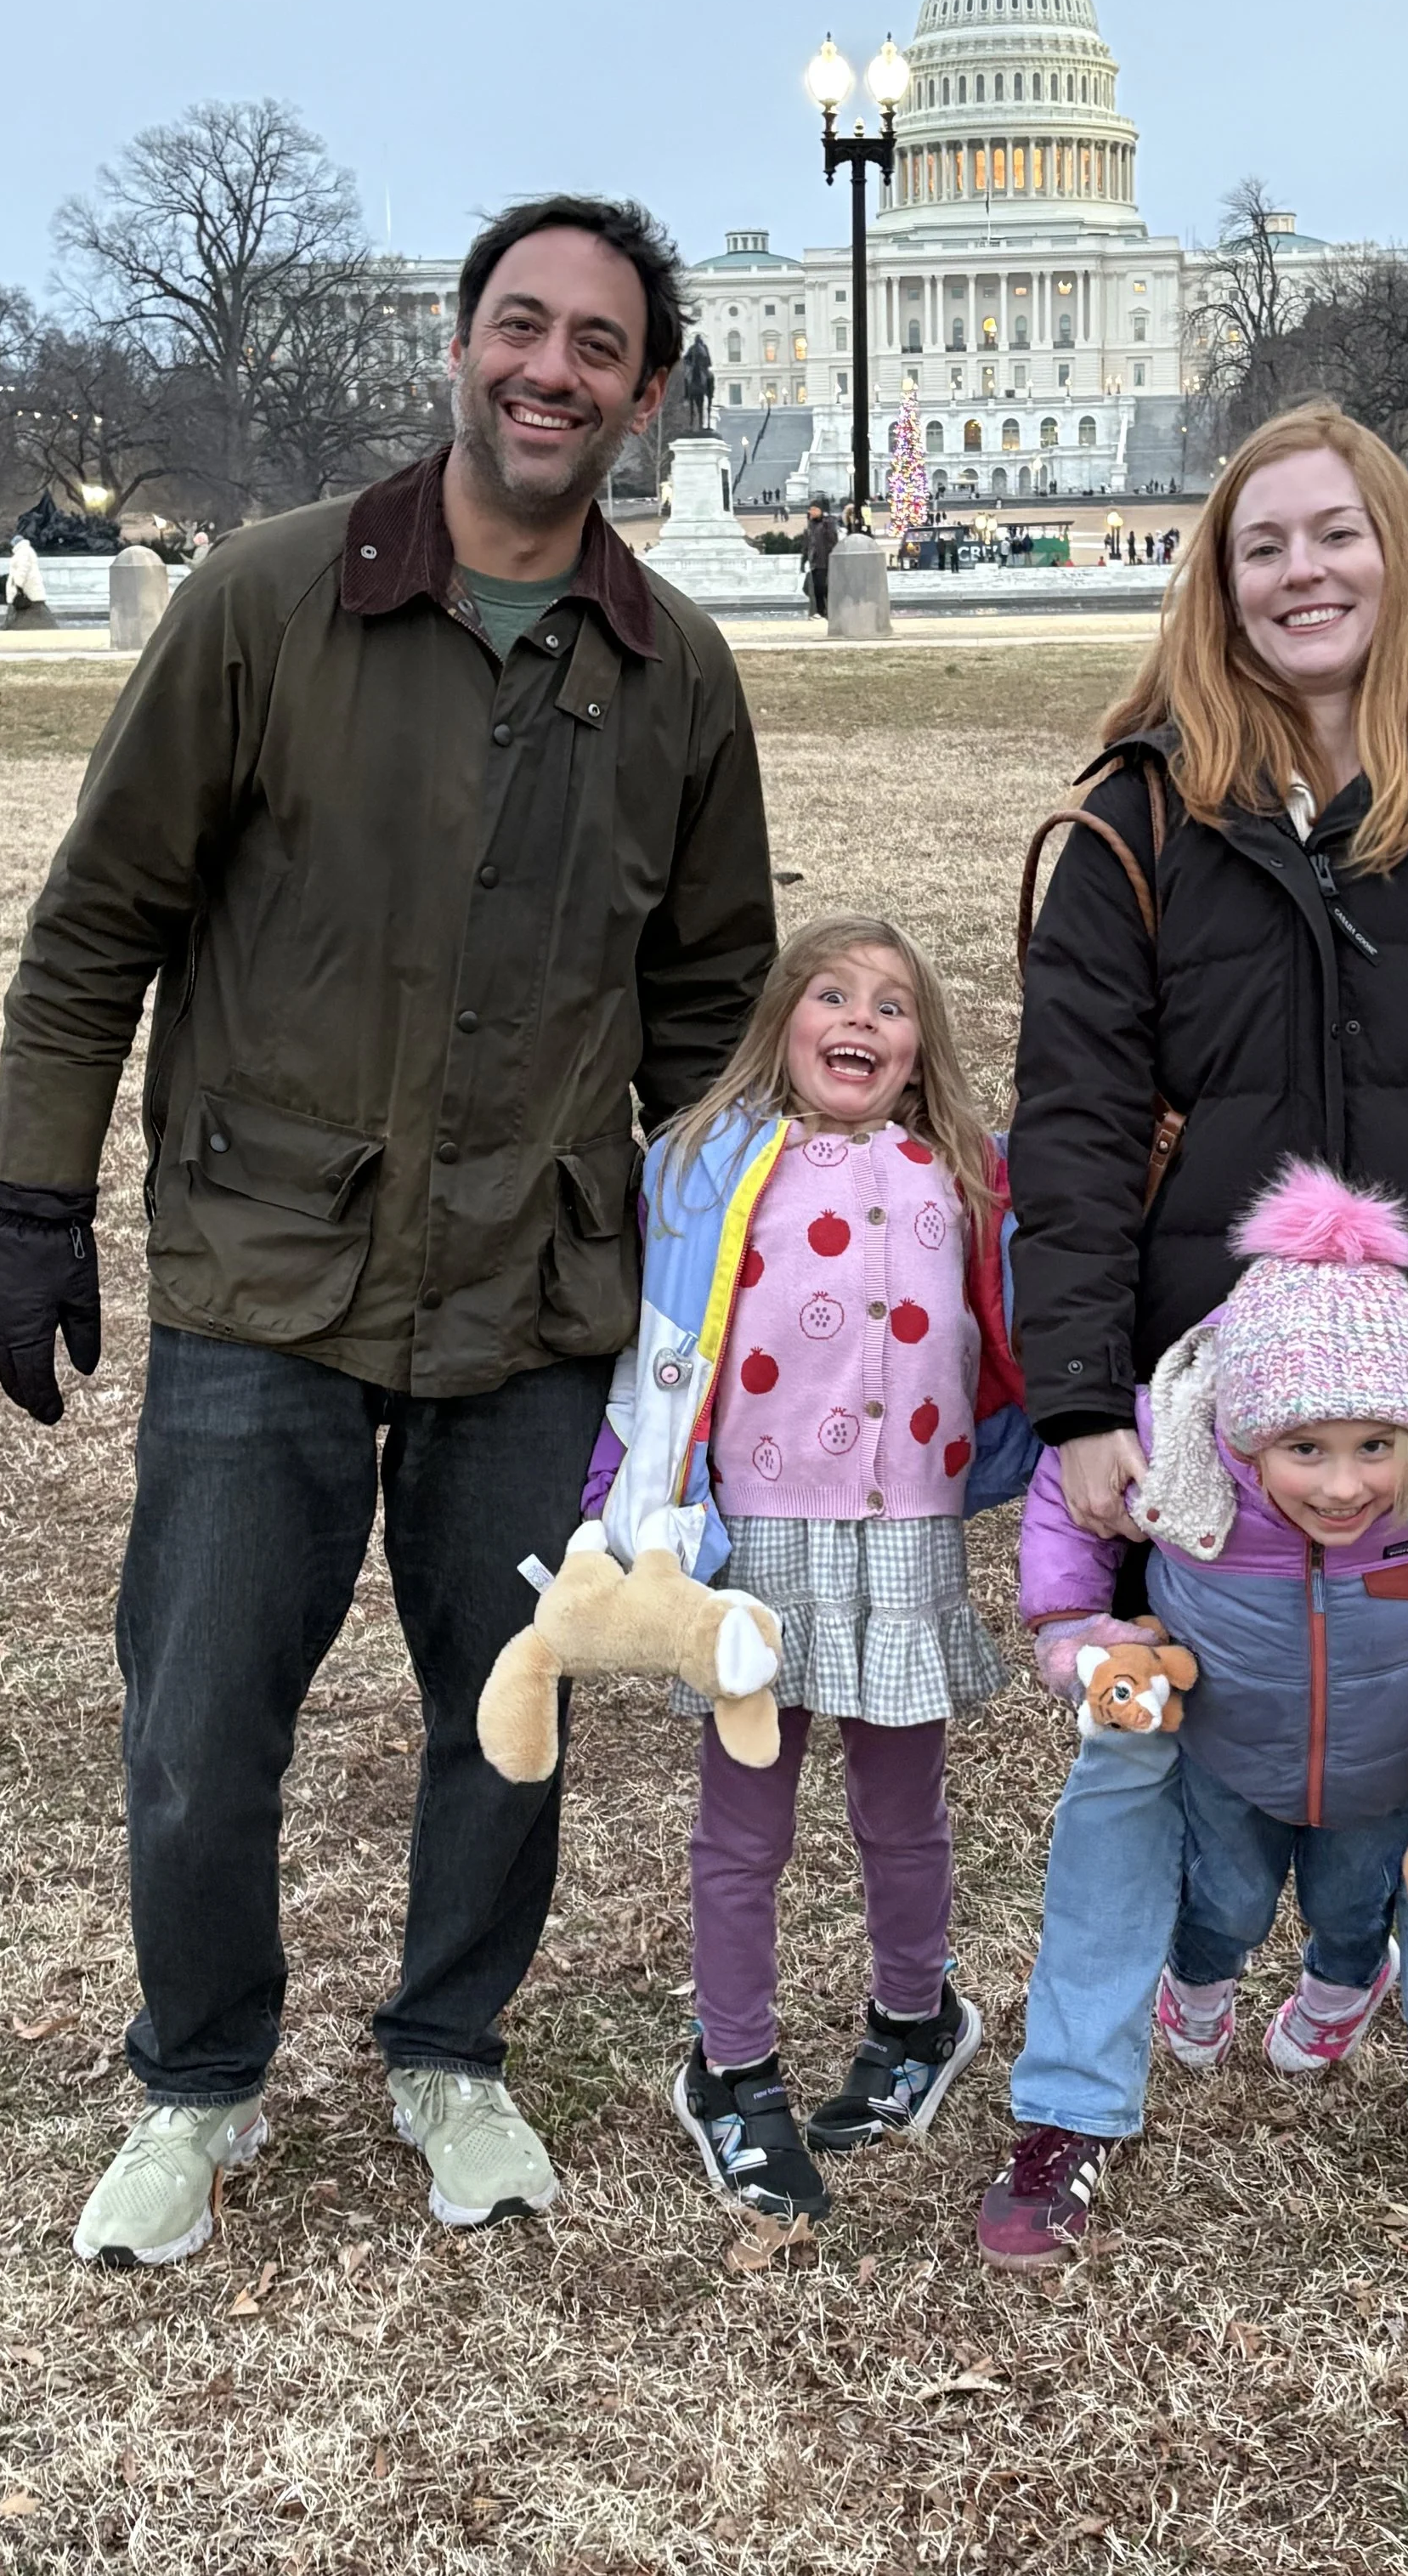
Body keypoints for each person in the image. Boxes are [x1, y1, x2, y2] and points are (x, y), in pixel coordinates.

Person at [0, 195, 777, 2268]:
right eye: (523, 325)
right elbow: (99, 927)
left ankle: (449, 2046)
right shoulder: (265, 603)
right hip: (271, 1263)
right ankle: (199, 2077)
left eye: (599, 345)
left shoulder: (672, 671)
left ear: (647, 393)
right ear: (460, 343)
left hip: (535, 1281)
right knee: (206, 1696)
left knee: (509, 1681)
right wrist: (36, 1197)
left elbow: (709, 1010)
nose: (553, 370)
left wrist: (711, 1316)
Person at [982, 398, 1408, 2264]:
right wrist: (1082, 1396)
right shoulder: (1134, 810)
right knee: (1126, 1766)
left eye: (1333, 534)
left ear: (1394, 547)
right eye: (1261, 545)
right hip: (1202, 1394)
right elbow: (1075, 1125)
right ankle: (1066, 2107)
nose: (1301, 573)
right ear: (1218, 579)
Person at [998, 1162, 1408, 2267]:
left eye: (1373, 1448)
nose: (1343, 1488)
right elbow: (1069, 1495)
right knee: (1148, 1836)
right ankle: (1066, 2114)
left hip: (1406, 1739)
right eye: (1306, 1451)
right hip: (1217, 1744)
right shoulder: (1182, 1448)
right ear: (1242, 1436)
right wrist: (1074, 1626)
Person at [585, 916, 1027, 2222]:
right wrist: (632, 1504)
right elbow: (656, 1344)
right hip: (759, 1540)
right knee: (746, 1822)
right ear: (782, 1020)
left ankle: (915, 2018)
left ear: (920, 1049)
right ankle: (732, 2069)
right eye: (832, 994)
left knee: (905, 1810)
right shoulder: (706, 1167)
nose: (863, 1020)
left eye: (894, 1005)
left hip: (908, 1535)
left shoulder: (965, 1172)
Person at [2, 537, 57, 628]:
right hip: (30, 588)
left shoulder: (23, 552)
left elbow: (22, 569)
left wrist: (18, 585)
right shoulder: (26, 551)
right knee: (36, 611)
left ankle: (8, 628)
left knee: (20, 609)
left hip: (26, 588)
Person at [802, 501, 838, 618]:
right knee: (817, 587)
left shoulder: (827, 523)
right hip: (815, 561)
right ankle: (821, 611)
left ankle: (827, 610)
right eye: (810, 509)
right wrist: (804, 560)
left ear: (820, 510)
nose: (810, 512)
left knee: (823, 587)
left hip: (825, 560)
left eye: (813, 509)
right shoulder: (811, 525)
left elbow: (832, 541)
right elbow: (808, 544)